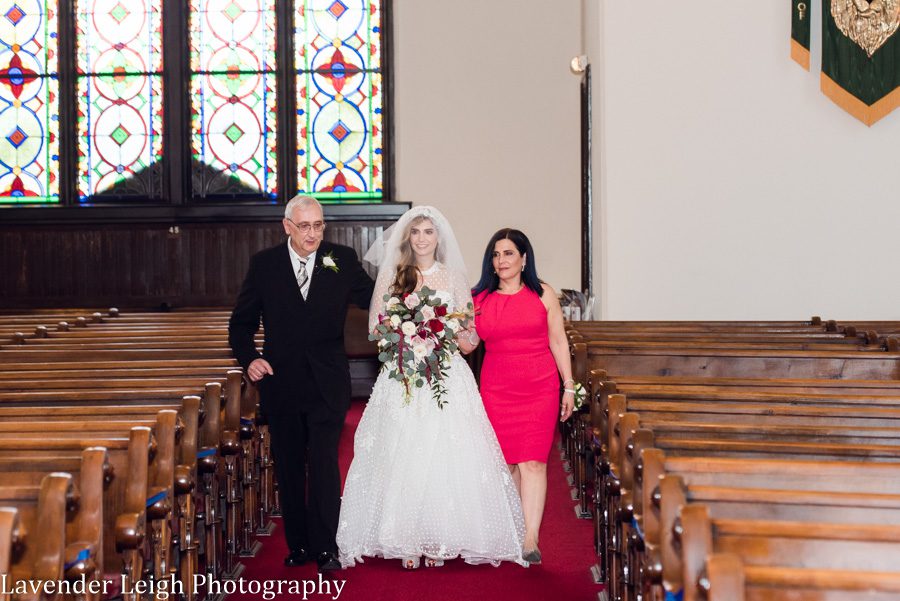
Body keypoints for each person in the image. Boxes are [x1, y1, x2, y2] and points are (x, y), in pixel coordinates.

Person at [336, 206, 526, 570]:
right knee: (404, 451)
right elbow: (376, 330)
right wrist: (403, 332)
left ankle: (440, 537)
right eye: (416, 232)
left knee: (444, 452)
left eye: (429, 232)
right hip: (404, 374)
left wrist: (447, 332)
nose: (422, 238)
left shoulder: (454, 278)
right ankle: (406, 538)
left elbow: (469, 335)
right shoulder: (395, 275)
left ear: (439, 238)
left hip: (446, 375)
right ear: (408, 238)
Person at [228, 195, 374, 572]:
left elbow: (376, 298)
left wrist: (416, 300)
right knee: (290, 466)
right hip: (283, 381)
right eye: (305, 226)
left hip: (328, 381)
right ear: (287, 226)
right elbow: (240, 324)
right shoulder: (264, 266)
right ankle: (299, 545)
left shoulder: (341, 259)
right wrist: (251, 359)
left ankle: (327, 546)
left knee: (325, 463)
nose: (313, 235)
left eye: (319, 226)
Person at [471, 228, 575, 565]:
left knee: (532, 461)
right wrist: (431, 328)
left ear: (524, 258)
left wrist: (569, 385)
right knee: (508, 465)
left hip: (539, 387)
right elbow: (468, 344)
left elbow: (558, 341)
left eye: (508, 254)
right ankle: (513, 529)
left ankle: (530, 538)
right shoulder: (478, 299)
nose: (501, 261)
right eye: (496, 255)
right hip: (497, 388)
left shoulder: (543, 293)